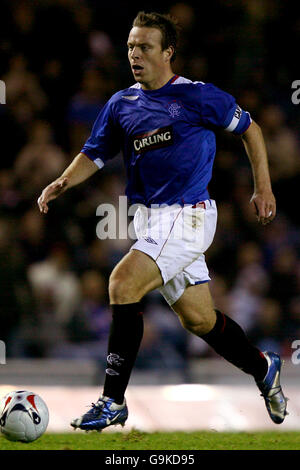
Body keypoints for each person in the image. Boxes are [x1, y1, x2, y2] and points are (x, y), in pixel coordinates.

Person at [37, 11, 288, 431]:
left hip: (188, 215)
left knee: (121, 282)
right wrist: (64, 179)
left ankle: (112, 400)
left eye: (145, 47)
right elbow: (95, 152)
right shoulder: (122, 103)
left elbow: (251, 130)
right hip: (150, 221)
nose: (135, 54)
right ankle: (264, 368)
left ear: (168, 52)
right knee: (199, 320)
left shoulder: (199, 96)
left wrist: (263, 187)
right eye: (131, 46)